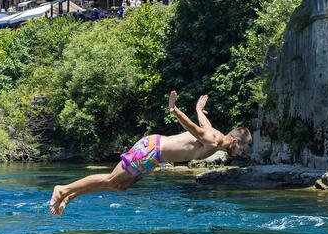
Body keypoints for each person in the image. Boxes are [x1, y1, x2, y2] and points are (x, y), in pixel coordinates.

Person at [48, 92, 251, 215]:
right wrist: (174, 110)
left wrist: (199, 108)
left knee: (120, 187)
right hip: (151, 149)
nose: (242, 152)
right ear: (235, 141)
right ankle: (62, 189)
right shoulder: (214, 140)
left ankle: (70, 196)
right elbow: (195, 129)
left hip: (154, 158)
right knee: (112, 179)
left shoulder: (215, 134)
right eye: (243, 148)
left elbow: (202, 122)